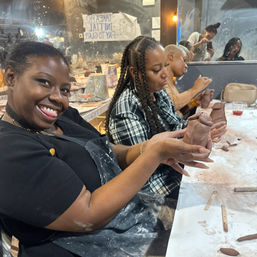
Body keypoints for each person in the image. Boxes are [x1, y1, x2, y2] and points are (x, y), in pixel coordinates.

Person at [0, 41, 211, 257]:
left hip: (126, 219)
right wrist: (155, 155)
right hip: (90, 245)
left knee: (204, 223)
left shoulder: (66, 118)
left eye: (64, 89)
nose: (57, 97)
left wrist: (150, 146)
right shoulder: (9, 150)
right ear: (11, 78)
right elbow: (87, 214)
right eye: (44, 82)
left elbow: (108, 153)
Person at [106, 36, 218, 199]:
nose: (166, 74)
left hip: (172, 172)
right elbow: (140, 172)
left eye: (166, 65)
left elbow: (176, 125)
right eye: (157, 70)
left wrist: (198, 128)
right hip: (150, 191)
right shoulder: (126, 108)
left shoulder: (159, 92)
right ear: (134, 72)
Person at [164, 44, 212, 117]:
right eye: (184, 60)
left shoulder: (171, 81)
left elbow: (175, 113)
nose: (186, 66)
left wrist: (193, 103)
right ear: (171, 57)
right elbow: (172, 104)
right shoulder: (161, 81)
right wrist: (195, 89)